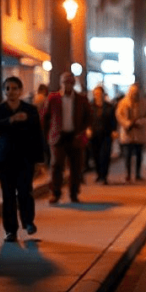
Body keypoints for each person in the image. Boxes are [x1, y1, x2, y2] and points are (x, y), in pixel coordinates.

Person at [0, 76, 45, 242]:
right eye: (7, 88)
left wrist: (39, 158)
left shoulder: (30, 109)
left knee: (25, 191)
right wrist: (11, 120)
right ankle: (10, 230)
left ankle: (28, 222)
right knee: (8, 195)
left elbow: (37, 133)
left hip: (25, 157)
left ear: (20, 91)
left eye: (14, 88)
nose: (10, 91)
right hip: (4, 157)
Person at [41, 71, 90, 204]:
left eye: (69, 82)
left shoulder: (81, 99)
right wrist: (47, 135)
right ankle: (55, 193)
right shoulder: (53, 98)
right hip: (58, 137)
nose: (67, 85)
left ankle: (74, 193)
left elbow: (88, 117)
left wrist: (83, 131)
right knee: (56, 165)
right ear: (61, 83)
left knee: (76, 167)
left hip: (75, 136)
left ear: (73, 84)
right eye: (64, 82)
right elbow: (45, 117)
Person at [116, 83, 146, 182]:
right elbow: (120, 116)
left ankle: (137, 174)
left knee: (139, 154)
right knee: (127, 155)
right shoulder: (123, 103)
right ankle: (128, 174)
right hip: (128, 133)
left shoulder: (143, 103)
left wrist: (140, 122)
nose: (134, 95)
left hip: (139, 134)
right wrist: (128, 123)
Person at [89, 85, 117, 185]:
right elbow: (87, 119)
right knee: (96, 155)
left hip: (106, 134)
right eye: (96, 94)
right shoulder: (90, 106)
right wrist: (88, 129)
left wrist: (114, 130)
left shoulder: (109, 107)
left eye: (99, 94)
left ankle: (104, 176)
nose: (98, 95)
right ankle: (98, 174)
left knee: (105, 155)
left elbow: (113, 120)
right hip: (94, 135)